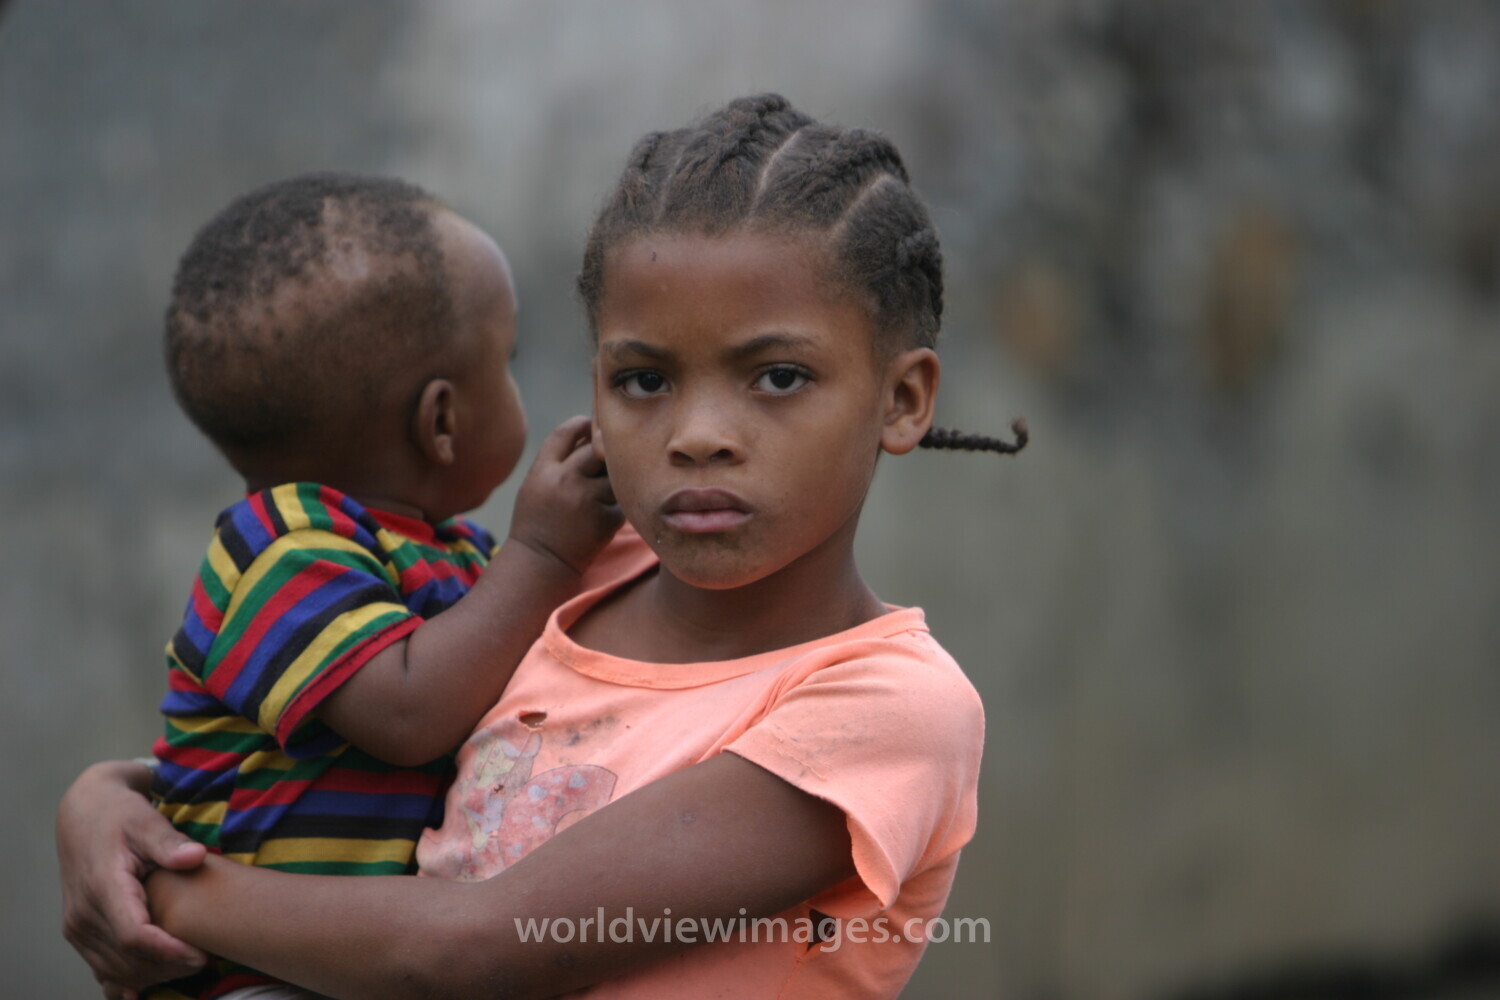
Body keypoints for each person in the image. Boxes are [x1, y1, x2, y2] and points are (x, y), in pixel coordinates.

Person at [59, 95, 1027, 1000]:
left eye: (777, 375)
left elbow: (466, 945)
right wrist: (105, 802)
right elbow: (310, 754)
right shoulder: (544, 586)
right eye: (645, 380)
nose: (697, 433)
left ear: (902, 398)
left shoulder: (887, 709)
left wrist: (166, 889)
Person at [81, 173, 622, 1000]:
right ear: (440, 422)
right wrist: (546, 553)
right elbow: (407, 716)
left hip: (357, 961)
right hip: (251, 978)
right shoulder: (277, 549)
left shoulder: (458, 557)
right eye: (505, 360)